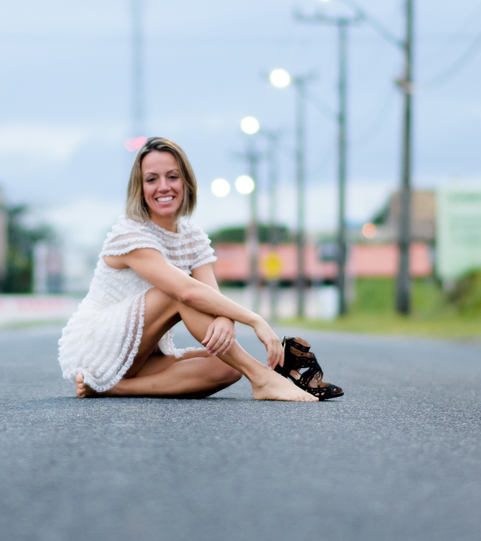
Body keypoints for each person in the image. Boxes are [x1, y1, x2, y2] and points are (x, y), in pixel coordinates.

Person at [58, 137, 341, 401]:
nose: (163, 187)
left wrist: (225, 319)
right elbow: (187, 292)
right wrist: (255, 320)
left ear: (186, 182)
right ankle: (263, 378)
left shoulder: (193, 237)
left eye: (172, 176)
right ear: (140, 189)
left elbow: (211, 296)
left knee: (228, 366)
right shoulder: (130, 234)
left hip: (140, 354)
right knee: (177, 291)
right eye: (152, 179)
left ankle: (112, 388)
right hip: (98, 346)